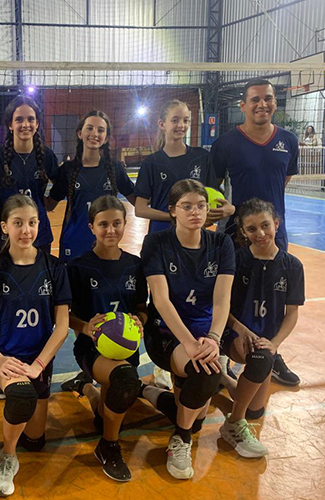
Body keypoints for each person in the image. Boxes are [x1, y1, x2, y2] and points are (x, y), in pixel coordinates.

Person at [0, 194, 71, 496]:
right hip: (4, 354)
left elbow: (62, 326)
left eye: (32, 223)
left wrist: (39, 365)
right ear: (4, 226)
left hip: (38, 358)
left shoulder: (54, 268)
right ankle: (7, 457)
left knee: (35, 441)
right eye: (18, 223)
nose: (26, 230)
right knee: (20, 396)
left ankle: (81, 389)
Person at [140, 179, 234, 480]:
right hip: (166, 336)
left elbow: (222, 301)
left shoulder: (221, 244)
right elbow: (161, 300)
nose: (195, 212)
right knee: (206, 372)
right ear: (173, 210)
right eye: (187, 206)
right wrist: (190, 343)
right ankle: (180, 439)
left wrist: (214, 339)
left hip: (206, 336)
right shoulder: (157, 243)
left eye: (201, 206)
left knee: (193, 410)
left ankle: (145, 391)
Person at [210, 78, 300, 387]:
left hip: (274, 234)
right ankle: (225, 352)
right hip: (236, 234)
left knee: (273, 297)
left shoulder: (288, 140)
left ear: (274, 102)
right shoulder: (226, 143)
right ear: (243, 106)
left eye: (268, 98)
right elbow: (213, 188)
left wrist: (267, 221)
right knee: (233, 294)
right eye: (255, 99)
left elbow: (283, 180)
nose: (263, 104)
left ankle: (271, 353)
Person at [66, 195, 147, 482]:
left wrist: (140, 320)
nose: (110, 230)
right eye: (103, 224)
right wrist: (85, 327)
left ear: (125, 224)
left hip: (126, 349)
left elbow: (142, 308)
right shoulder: (77, 267)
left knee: (106, 413)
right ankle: (108, 447)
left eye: (116, 223)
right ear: (91, 227)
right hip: (91, 349)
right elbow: (64, 315)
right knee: (124, 381)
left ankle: (84, 386)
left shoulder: (135, 265)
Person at [217, 198, 305, 459]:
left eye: (265, 225)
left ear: (276, 224)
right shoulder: (236, 260)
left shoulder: (292, 266)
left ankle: (223, 378)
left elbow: (292, 313)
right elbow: (221, 306)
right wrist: (241, 329)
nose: (261, 233)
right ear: (243, 232)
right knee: (260, 360)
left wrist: (275, 343)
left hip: (266, 343)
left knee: (255, 410)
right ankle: (233, 423)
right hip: (234, 334)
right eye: (252, 229)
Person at [45, 110, 136, 262]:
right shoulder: (67, 170)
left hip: (105, 244)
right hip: (73, 244)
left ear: (106, 138)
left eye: (100, 130)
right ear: (80, 133)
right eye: (90, 128)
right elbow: (49, 204)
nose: (95, 133)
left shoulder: (115, 168)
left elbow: (137, 201)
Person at [0, 96, 59, 253]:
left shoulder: (47, 156)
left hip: (39, 234)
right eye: (19, 119)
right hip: (8, 236)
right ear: (10, 124)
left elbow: (61, 186)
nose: (25, 124)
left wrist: (49, 203)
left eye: (30, 119)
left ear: (37, 124)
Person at [134, 99, 221, 235]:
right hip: (161, 234)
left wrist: (228, 210)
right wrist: (177, 217)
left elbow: (213, 199)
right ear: (162, 124)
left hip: (194, 234)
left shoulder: (202, 157)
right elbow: (140, 209)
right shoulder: (151, 162)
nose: (181, 125)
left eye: (186, 120)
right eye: (175, 120)